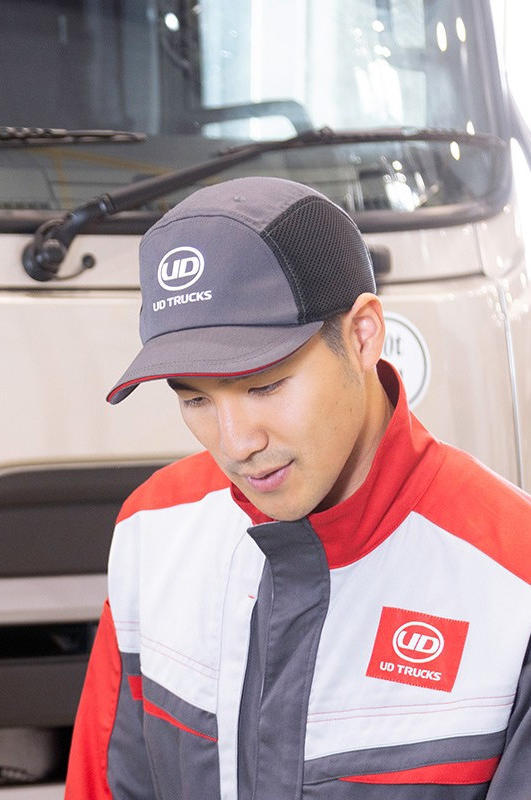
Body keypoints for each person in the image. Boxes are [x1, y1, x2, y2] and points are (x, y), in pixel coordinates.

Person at [64, 176, 531, 798]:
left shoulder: (514, 577)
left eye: (265, 386)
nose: (235, 443)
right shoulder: (154, 527)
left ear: (364, 335)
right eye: (196, 398)